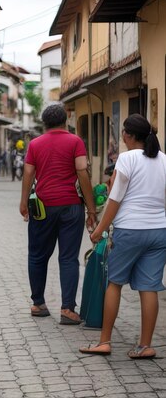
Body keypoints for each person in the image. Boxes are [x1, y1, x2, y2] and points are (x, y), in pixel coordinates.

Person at [80, 115, 166, 359]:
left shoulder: (126, 159)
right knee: (149, 287)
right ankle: (145, 345)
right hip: (159, 232)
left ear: (128, 135)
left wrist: (98, 230)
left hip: (130, 230)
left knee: (114, 283)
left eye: (123, 134)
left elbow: (115, 199)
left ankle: (104, 341)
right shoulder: (163, 160)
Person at [19, 104, 97, 324]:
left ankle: (38, 304)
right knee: (68, 258)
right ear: (66, 121)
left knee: (37, 255)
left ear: (45, 123)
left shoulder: (35, 144)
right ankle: (67, 309)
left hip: (42, 207)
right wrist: (91, 209)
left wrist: (24, 201)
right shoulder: (75, 141)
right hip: (71, 206)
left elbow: (28, 172)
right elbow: (82, 171)